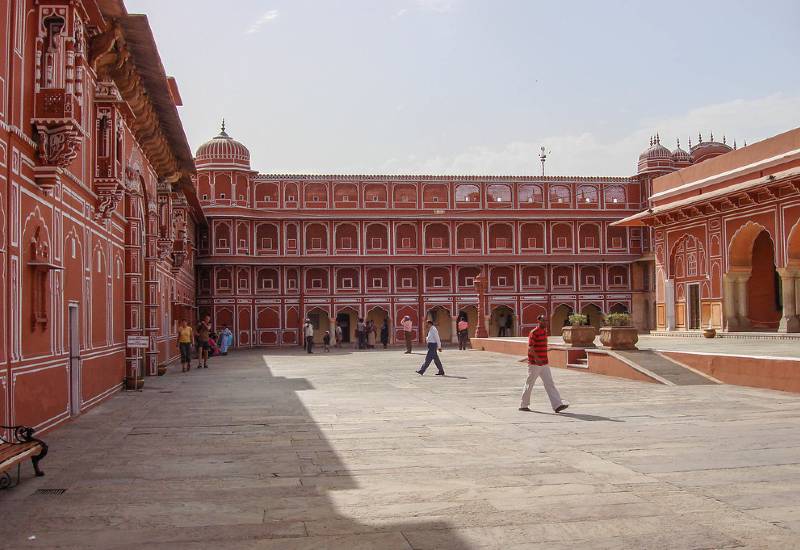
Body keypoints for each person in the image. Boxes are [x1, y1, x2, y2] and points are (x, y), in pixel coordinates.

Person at [519, 315, 569, 413]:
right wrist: (537, 358)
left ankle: (557, 405)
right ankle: (523, 405)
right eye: (543, 320)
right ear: (538, 321)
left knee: (549, 383)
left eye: (546, 321)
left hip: (544, 363)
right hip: (534, 363)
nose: (545, 322)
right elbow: (531, 347)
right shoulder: (534, 332)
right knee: (530, 383)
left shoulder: (544, 332)